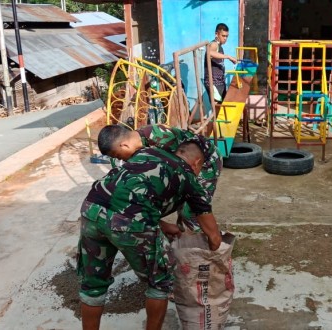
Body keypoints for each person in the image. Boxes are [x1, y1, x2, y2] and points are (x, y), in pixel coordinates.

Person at [78, 139, 222, 330]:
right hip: (128, 222)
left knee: (93, 284)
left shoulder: (146, 153)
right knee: (160, 283)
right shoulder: (188, 176)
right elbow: (211, 232)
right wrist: (215, 247)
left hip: (91, 211)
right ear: (196, 163)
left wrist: (161, 225)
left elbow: (131, 195)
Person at [99, 124, 222, 231]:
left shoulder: (161, 137)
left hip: (205, 161)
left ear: (124, 145)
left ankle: (201, 247)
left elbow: (185, 168)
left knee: (191, 210)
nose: (120, 160)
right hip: (180, 165)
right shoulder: (132, 149)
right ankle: (184, 237)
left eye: (118, 156)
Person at [204, 23, 238, 103]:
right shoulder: (214, 44)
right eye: (223, 36)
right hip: (213, 83)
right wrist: (228, 57)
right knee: (217, 108)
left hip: (220, 82)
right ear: (216, 34)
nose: (225, 38)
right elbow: (209, 53)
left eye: (227, 36)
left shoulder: (220, 46)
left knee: (222, 108)